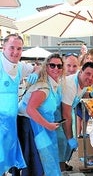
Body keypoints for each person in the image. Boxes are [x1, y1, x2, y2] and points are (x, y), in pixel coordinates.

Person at [17, 53, 64, 176]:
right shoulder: (44, 87)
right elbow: (30, 109)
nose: (56, 69)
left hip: (40, 126)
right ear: (46, 67)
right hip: (32, 127)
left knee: (44, 161)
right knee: (38, 164)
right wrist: (48, 125)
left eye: (59, 66)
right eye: (52, 65)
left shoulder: (54, 84)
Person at [0, 34, 39, 175]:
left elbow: (37, 68)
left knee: (6, 160)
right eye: (11, 47)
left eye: (19, 49)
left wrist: (37, 72)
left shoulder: (20, 67)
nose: (15, 52)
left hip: (10, 123)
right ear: (3, 47)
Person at [61, 62, 93, 164]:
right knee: (62, 142)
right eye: (88, 74)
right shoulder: (70, 85)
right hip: (58, 114)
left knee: (65, 145)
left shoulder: (84, 82)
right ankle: (60, 167)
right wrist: (69, 138)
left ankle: (63, 164)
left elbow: (80, 94)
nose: (90, 78)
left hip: (66, 112)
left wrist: (90, 94)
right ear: (81, 71)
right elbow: (66, 114)